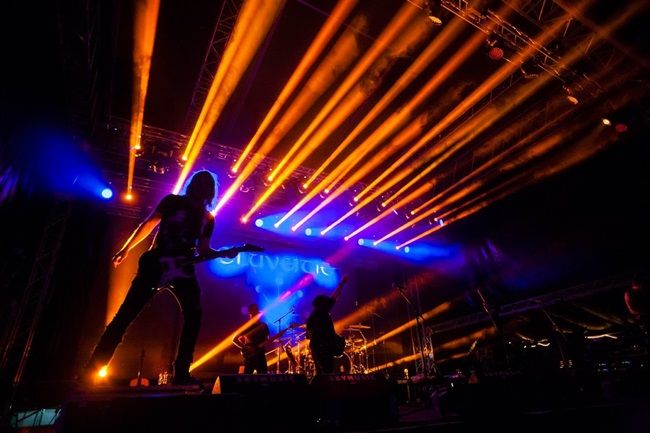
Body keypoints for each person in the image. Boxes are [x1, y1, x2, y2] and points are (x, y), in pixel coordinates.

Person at [84, 170, 230, 385]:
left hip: (183, 269)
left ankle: (181, 372)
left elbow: (203, 249)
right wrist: (126, 249)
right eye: (201, 184)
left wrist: (225, 253)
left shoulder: (208, 218)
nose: (202, 188)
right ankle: (91, 371)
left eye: (205, 185)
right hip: (156, 263)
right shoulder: (172, 201)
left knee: (193, 316)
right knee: (125, 316)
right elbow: (148, 224)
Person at [306, 275, 348, 374]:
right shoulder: (323, 313)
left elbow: (308, 335)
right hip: (323, 348)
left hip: (316, 347)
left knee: (321, 373)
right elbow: (334, 297)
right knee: (327, 372)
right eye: (327, 302)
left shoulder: (312, 317)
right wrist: (342, 283)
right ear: (323, 304)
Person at [233, 303, 270, 374]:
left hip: (261, 356)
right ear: (249, 312)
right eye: (254, 310)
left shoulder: (264, 325)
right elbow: (234, 339)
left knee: (263, 378)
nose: (256, 311)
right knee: (247, 378)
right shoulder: (246, 326)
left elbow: (267, 339)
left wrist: (263, 344)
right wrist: (245, 347)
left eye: (257, 309)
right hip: (250, 357)